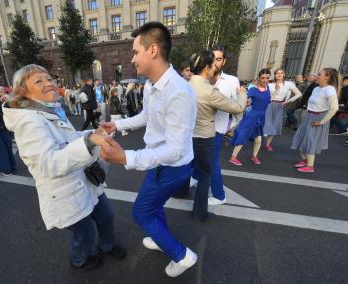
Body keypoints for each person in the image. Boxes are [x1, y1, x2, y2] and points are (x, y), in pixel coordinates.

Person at [2, 64, 126, 270]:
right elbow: (48, 164)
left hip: (85, 180)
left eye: (48, 78)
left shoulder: (50, 109)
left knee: (106, 215)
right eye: (38, 81)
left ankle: (107, 245)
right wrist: (89, 142)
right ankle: (80, 260)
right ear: (24, 91)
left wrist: (93, 134)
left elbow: (68, 139)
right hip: (66, 192)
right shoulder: (29, 121)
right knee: (84, 232)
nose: (48, 83)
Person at [101, 22, 197, 277]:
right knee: (153, 207)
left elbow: (175, 150)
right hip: (159, 161)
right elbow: (146, 115)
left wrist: (126, 157)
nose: (132, 59)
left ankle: (182, 255)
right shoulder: (152, 85)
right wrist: (117, 124)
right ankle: (161, 239)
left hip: (172, 166)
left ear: (152, 50)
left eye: (135, 52)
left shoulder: (179, 92)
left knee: (142, 212)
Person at [188, 49, 246, 219]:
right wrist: (242, 94)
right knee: (206, 174)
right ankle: (200, 213)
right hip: (205, 136)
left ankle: (183, 192)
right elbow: (237, 107)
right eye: (213, 64)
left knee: (191, 166)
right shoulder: (208, 90)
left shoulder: (187, 83)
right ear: (207, 67)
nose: (215, 67)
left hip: (189, 134)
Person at [210, 44, 245, 206]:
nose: (214, 62)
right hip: (196, 129)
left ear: (223, 61)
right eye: (212, 58)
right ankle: (195, 178)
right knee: (195, 157)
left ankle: (219, 195)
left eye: (218, 59)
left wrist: (230, 127)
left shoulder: (231, 81)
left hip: (216, 129)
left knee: (212, 162)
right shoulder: (201, 77)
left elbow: (239, 107)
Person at [291, 68, 339, 172]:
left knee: (310, 141)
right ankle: (305, 160)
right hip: (309, 116)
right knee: (301, 138)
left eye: (319, 74)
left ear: (327, 77)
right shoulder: (317, 88)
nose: (317, 76)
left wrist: (322, 122)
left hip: (318, 118)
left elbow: (334, 108)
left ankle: (310, 166)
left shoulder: (330, 89)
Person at [230, 68, 272, 166]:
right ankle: (233, 157)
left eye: (267, 78)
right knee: (243, 135)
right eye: (262, 78)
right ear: (259, 78)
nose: (265, 80)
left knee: (259, 139)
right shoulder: (253, 89)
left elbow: (267, 101)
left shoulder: (268, 88)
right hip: (252, 115)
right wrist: (246, 101)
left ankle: (254, 156)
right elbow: (244, 97)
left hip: (262, 116)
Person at [264, 68, 302, 151]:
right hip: (269, 105)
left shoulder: (289, 84)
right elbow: (268, 97)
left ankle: (267, 144)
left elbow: (299, 94)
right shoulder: (270, 85)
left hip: (279, 106)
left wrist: (288, 101)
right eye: (277, 73)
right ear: (274, 75)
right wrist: (276, 91)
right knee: (265, 124)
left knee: (274, 126)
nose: (279, 74)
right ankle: (257, 139)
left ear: (284, 74)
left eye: (281, 73)